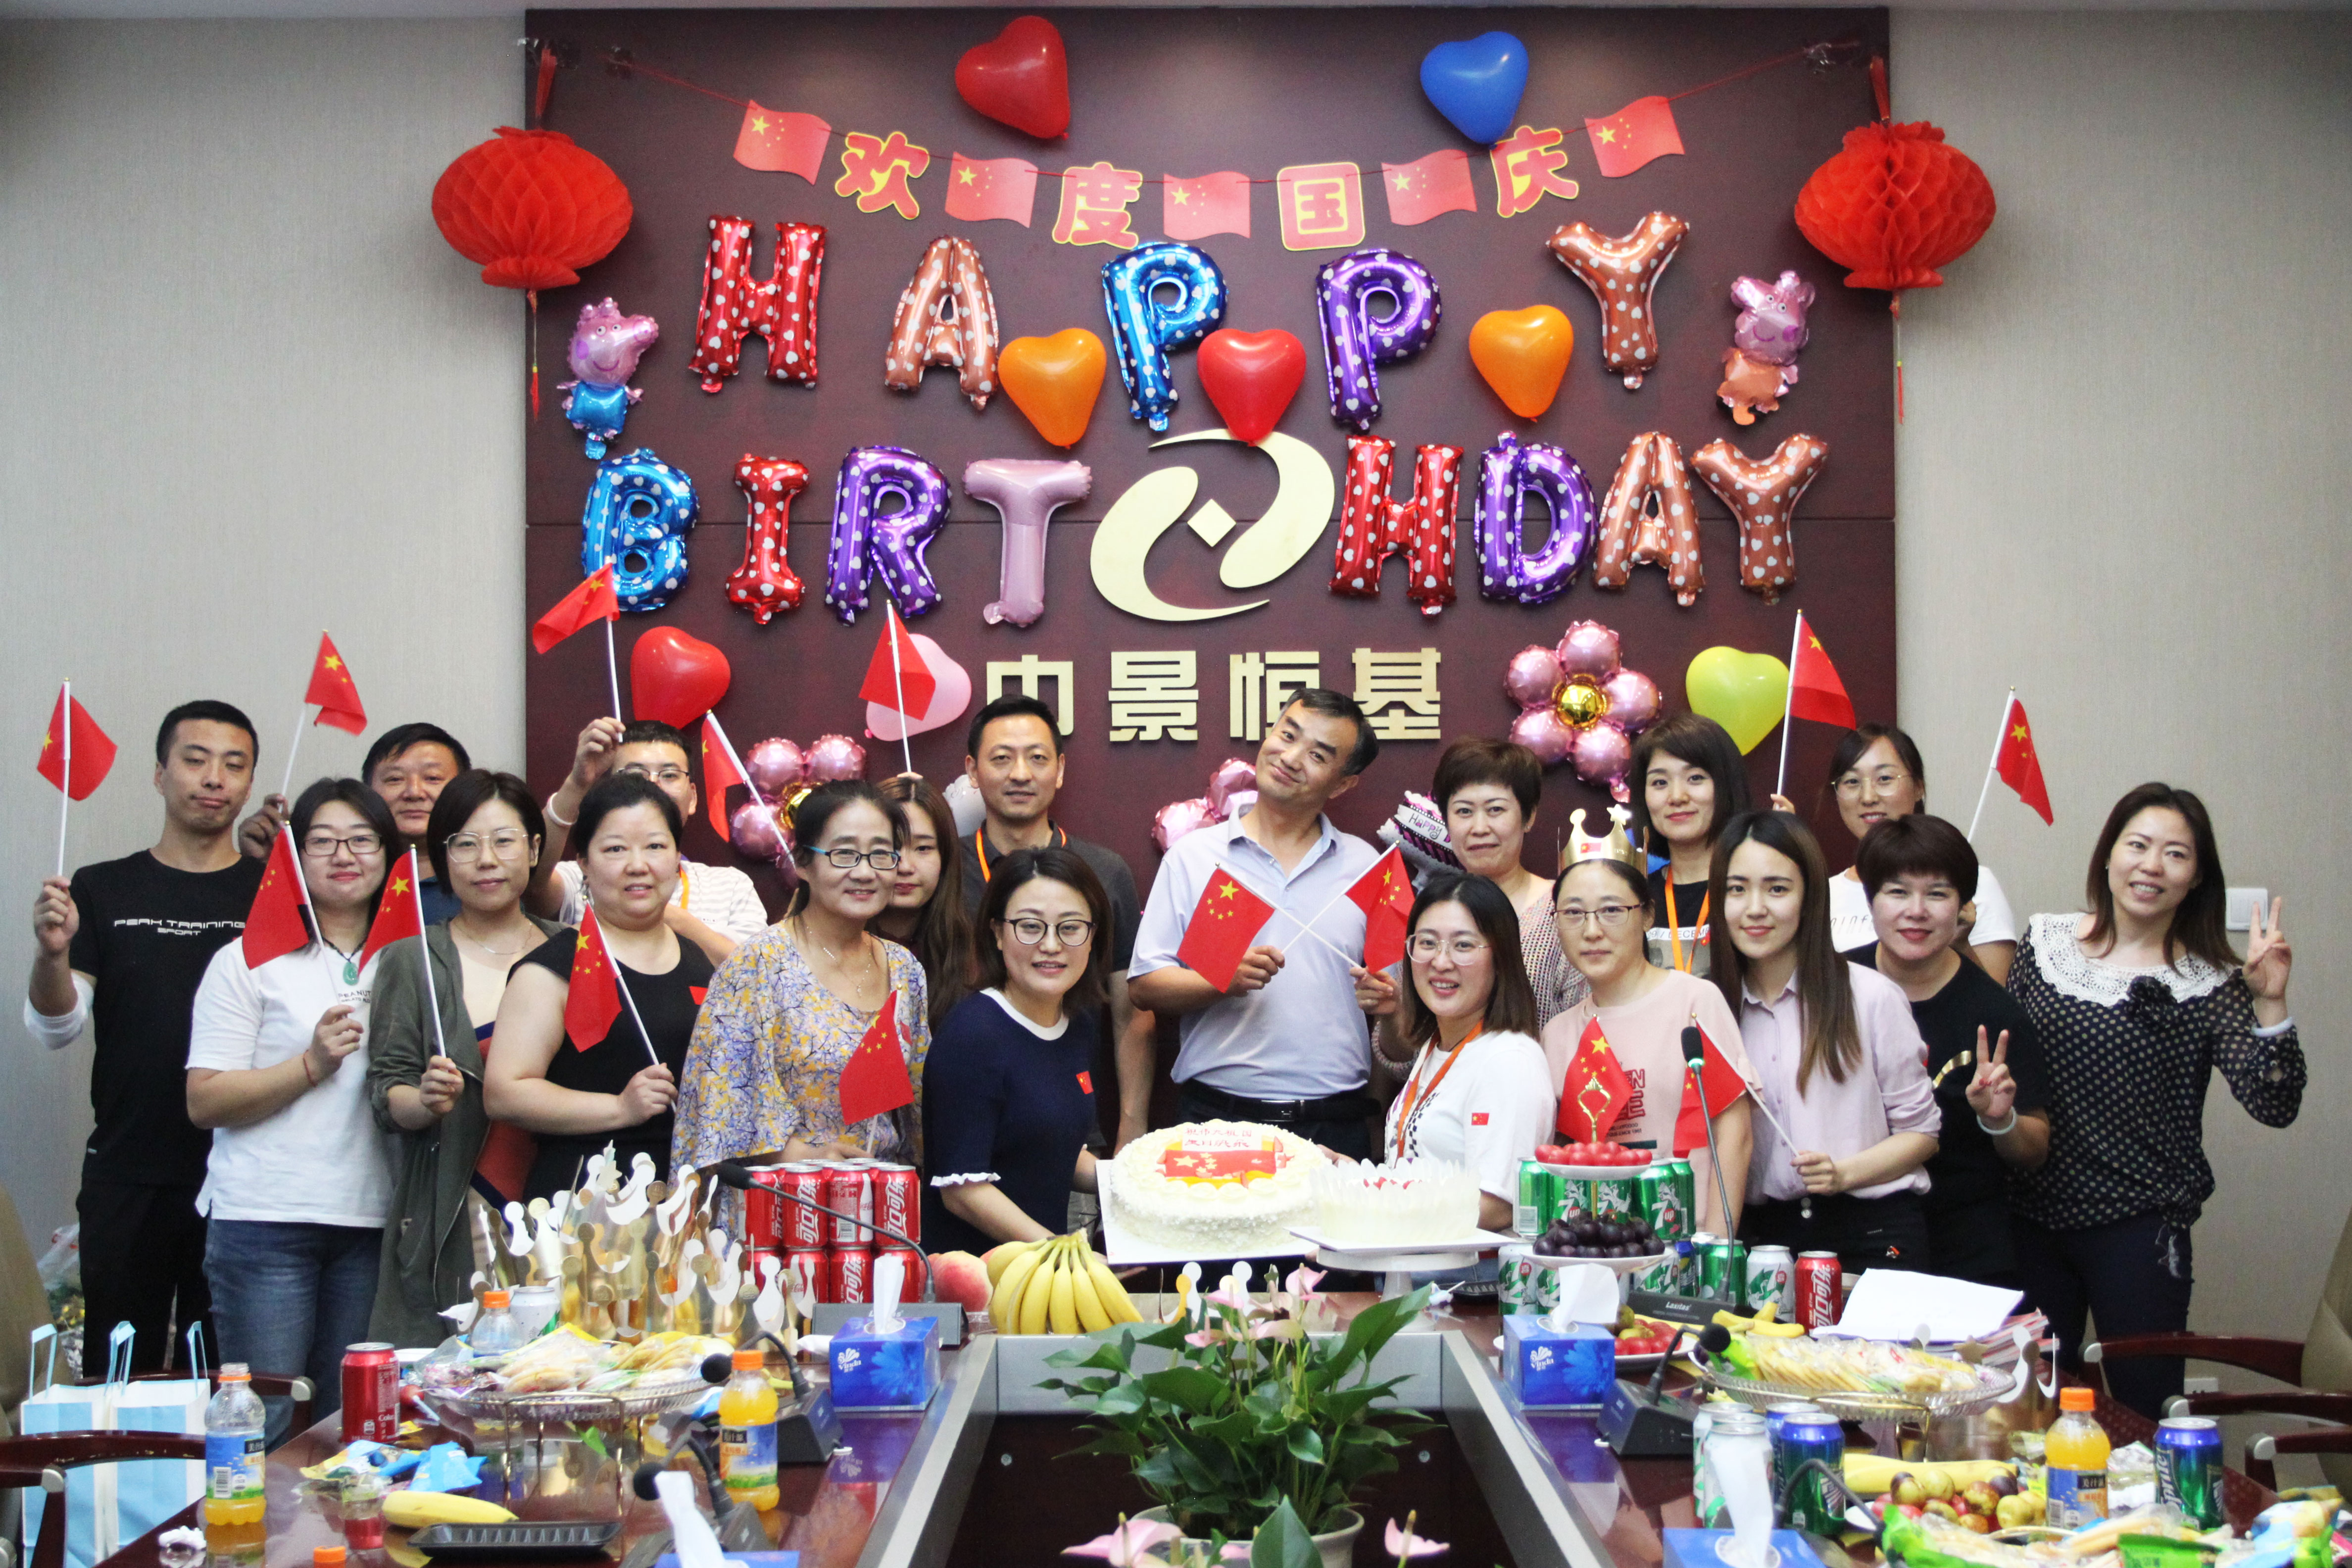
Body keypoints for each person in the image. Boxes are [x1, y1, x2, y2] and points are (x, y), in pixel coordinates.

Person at [2007, 783, 2302, 1419]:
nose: (2152, 866)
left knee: (2146, 1412)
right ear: (2109, 855)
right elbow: (2007, 1062)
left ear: (2197, 878)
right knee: (2026, 1410)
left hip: (2140, 1229)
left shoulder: (2210, 983)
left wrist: (2271, 1002)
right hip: (2029, 1217)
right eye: (2138, 846)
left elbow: (2274, 1104)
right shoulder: (2044, 945)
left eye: (2175, 854)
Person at [25, 701, 267, 1372]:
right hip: (128, 1168)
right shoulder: (102, 887)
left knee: (227, 1376)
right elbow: (58, 1027)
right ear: (160, 774)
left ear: (250, 784)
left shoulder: (275, 895)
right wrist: (51, 956)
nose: (214, 778)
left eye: (234, 765)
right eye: (195, 760)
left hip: (242, 1172)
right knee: (119, 1375)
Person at [185, 779, 398, 1438]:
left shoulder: (410, 958)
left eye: (362, 840)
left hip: (369, 1220)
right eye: (323, 841)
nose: (344, 855)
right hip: (265, 1222)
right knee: (268, 1422)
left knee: (349, 1426)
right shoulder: (247, 960)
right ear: (293, 858)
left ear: (389, 855)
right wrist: (310, 1066)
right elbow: (204, 1099)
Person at [1130, 690, 1384, 1159]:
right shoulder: (1196, 856)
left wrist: (1390, 1001)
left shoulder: (1366, 866)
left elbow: (1397, 1000)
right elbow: (1145, 986)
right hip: (1217, 1121)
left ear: (1342, 784)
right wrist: (1219, 980)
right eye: (1287, 735)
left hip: (1333, 1124)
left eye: (1318, 755)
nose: (1290, 757)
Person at [365, 771, 560, 1347]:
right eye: (465, 844)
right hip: (459, 1206)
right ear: (442, 857)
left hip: (560, 1204)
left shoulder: (574, 950)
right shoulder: (414, 958)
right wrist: (424, 1101)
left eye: (504, 841)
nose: (486, 860)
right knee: (467, 1373)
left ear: (534, 849)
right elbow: (386, 1093)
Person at [1709, 810, 1941, 1276]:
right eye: (1737, 889)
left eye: (1777, 889)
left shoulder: (1870, 996)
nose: (1755, 908)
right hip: (1762, 1240)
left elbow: (1922, 1135)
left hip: (1870, 1232)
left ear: (1810, 896)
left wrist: (1843, 1173)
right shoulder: (1710, 1009)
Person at [674, 782, 932, 1172]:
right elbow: (714, 1117)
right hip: (782, 1197)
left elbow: (917, 1114)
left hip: (880, 1198)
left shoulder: (904, 969)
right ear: (801, 863)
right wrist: (810, 1158)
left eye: (881, 855)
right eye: (845, 854)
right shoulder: (757, 966)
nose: (865, 872)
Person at [485, 773, 715, 1200]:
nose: (638, 865)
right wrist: (619, 1108)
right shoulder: (554, 967)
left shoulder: (698, 960)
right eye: (615, 849)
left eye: (655, 846)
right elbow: (504, 1093)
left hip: (688, 1202)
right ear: (584, 865)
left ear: (677, 858)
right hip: (585, 1207)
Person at [1851, 814, 2047, 1288]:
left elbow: (2035, 1151)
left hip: (1965, 1250)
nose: (1916, 911)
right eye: (1898, 892)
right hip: (1854, 1237)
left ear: (1963, 908)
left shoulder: (1995, 1012)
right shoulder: (1831, 989)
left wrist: (2000, 1119)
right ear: (1871, 900)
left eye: (1937, 894)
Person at [958, 694, 1154, 1150]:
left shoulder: (1104, 871)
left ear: (1060, 770)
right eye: (1001, 758)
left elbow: (1130, 1010)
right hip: (963, 1122)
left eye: (1038, 758)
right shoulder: (943, 869)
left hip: (1073, 1134)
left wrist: (1132, 1130)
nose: (1020, 774)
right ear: (973, 771)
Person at [1542, 848, 1753, 1235]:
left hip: (1689, 1240)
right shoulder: (1558, 1034)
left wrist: (1717, 1245)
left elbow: (1735, 1133)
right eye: (1573, 913)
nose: (1592, 931)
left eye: (1612, 910)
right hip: (1597, 1245)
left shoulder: (1694, 1001)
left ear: (1647, 915)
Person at [922, 848, 1112, 1251]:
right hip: (977, 1273)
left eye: (1071, 928)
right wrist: (1063, 1254)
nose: (1051, 945)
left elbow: (1050, 1150)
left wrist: (1137, 1183)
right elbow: (963, 1191)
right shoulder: (972, 1035)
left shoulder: (1077, 1024)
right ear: (997, 932)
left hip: (1041, 1271)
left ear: (1093, 936)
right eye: (1030, 927)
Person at [1383, 874, 1554, 1235]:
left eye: (1463, 945)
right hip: (1412, 1261)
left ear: (1501, 957)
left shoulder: (1509, 1059)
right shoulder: (1435, 1046)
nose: (1441, 962)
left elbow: (1495, 1207)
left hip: (1473, 1270)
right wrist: (1348, 1180)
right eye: (1427, 943)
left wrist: (1371, 1218)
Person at [529, 717, 770, 965]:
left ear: (693, 798)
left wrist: (665, 917)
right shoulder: (589, 875)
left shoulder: (731, 886)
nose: (653, 786)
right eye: (635, 775)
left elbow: (759, 974)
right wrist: (577, 783)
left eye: (669, 775)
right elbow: (532, 880)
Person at [1823, 724, 2018, 983]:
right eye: (1852, 782)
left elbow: (1995, 1001)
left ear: (1918, 787)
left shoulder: (1974, 884)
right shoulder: (1823, 894)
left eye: (1885, 779)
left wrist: (1960, 944)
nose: (1868, 797)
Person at [242, 723, 472, 923]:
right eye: (395, 779)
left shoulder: (481, 877)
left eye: (432, 778)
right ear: (367, 793)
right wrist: (270, 868)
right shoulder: (343, 877)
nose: (414, 792)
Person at [1430, 737, 1585, 1027]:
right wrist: (1391, 1015)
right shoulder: (1431, 913)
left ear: (1529, 817)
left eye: (1495, 810)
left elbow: (1585, 1030)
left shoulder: (1565, 912)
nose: (1479, 828)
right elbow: (1405, 1046)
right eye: (1464, 811)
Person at [1628, 714, 1755, 979]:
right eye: (1660, 783)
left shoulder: (1754, 891)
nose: (1677, 797)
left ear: (1726, 785)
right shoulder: (1633, 900)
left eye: (1695, 778)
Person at [876, 775, 975, 1032]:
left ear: (945, 856)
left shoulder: (969, 954)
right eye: (890, 849)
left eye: (923, 849)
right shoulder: (831, 950)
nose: (905, 867)